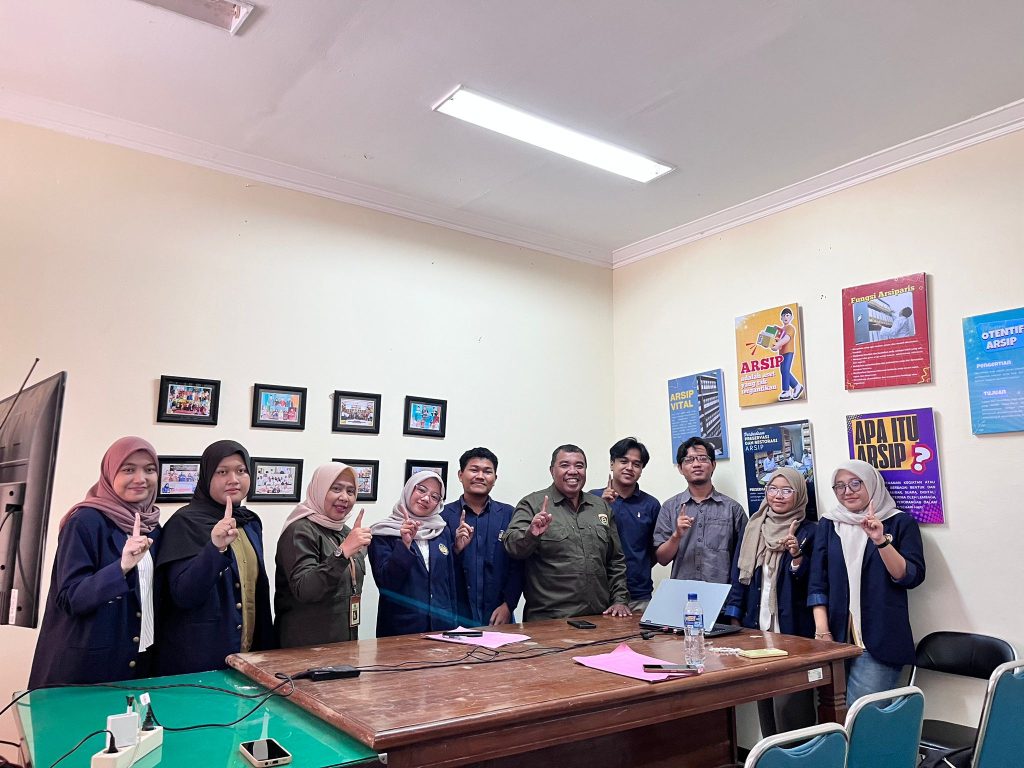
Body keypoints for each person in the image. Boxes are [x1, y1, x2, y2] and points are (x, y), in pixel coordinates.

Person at [29, 437, 161, 687]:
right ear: (110, 474)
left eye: (150, 469)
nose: (141, 478)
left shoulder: (152, 527)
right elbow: (71, 597)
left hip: (136, 664)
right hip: (86, 667)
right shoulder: (85, 522)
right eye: (129, 469)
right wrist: (121, 567)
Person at [809, 459, 926, 704]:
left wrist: (880, 540)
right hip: (837, 637)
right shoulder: (829, 523)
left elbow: (910, 577)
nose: (847, 491)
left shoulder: (899, 522)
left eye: (855, 483)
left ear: (872, 484)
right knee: (834, 715)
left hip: (880, 641)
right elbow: (817, 582)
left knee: (861, 717)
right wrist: (822, 632)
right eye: (839, 486)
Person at [155, 440, 274, 675]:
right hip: (199, 660)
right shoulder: (185, 523)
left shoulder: (249, 522)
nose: (234, 479)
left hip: (247, 656)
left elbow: (255, 590)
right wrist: (215, 548)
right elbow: (184, 595)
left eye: (241, 471)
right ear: (207, 476)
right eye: (222, 472)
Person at [725, 468, 816, 735]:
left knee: (791, 710)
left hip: (791, 630)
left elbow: (813, 582)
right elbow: (737, 575)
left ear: (799, 495)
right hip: (756, 627)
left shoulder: (811, 530)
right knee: (764, 703)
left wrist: (797, 556)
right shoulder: (754, 527)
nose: (778, 496)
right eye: (773, 489)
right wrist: (735, 619)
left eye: (787, 490)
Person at [504, 444, 630, 620]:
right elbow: (512, 547)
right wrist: (531, 534)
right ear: (551, 470)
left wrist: (620, 600)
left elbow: (615, 560)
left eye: (579, 466)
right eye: (564, 465)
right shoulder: (532, 504)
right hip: (548, 620)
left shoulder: (600, 506)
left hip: (599, 617)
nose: (573, 471)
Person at [275, 462, 373, 647]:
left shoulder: (345, 532)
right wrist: (342, 554)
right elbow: (305, 590)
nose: (344, 497)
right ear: (319, 490)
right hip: (304, 648)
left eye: (351, 491)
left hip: (344, 643)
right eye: (336, 489)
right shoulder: (300, 530)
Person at [369, 471, 469, 636]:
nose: (426, 498)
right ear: (409, 490)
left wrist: (453, 624)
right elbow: (386, 583)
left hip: (442, 628)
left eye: (435, 496)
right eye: (421, 490)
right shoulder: (383, 532)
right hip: (400, 630)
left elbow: (448, 584)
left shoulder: (441, 531)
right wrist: (404, 545)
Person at [440, 448, 523, 626]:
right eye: (474, 469)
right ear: (460, 475)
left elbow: (519, 565)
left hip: (499, 614)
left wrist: (509, 605)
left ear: (495, 478)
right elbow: (438, 570)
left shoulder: (510, 514)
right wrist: (456, 549)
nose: (480, 476)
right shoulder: (443, 517)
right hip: (456, 614)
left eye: (487, 471)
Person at [654, 437, 747, 585]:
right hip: (682, 595)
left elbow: (744, 559)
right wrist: (676, 536)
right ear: (680, 468)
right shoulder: (670, 508)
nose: (696, 464)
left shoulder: (733, 509)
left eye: (703, 458)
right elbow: (662, 559)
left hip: (722, 596)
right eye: (689, 460)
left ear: (713, 465)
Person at [588, 437, 660, 613]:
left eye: (636, 464)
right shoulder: (591, 499)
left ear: (641, 470)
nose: (629, 468)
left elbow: (654, 551)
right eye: (623, 461)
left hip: (638, 595)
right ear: (612, 464)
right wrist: (602, 507)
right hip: (597, 594)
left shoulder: (651, 505)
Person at [770, 307, 804, 401]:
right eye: (784, 315)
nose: (785, 317)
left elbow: (786, 339)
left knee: (785, 370)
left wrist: (777, 345)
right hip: (781, 353)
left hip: (789, 351)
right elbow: (775, 341)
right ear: (781, 317)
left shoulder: (790, 328)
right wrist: (772, 344)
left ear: (791, 317)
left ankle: (786, 391)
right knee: (783, 371)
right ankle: (797, 386)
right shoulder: (780, 330)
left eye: (787, 315)